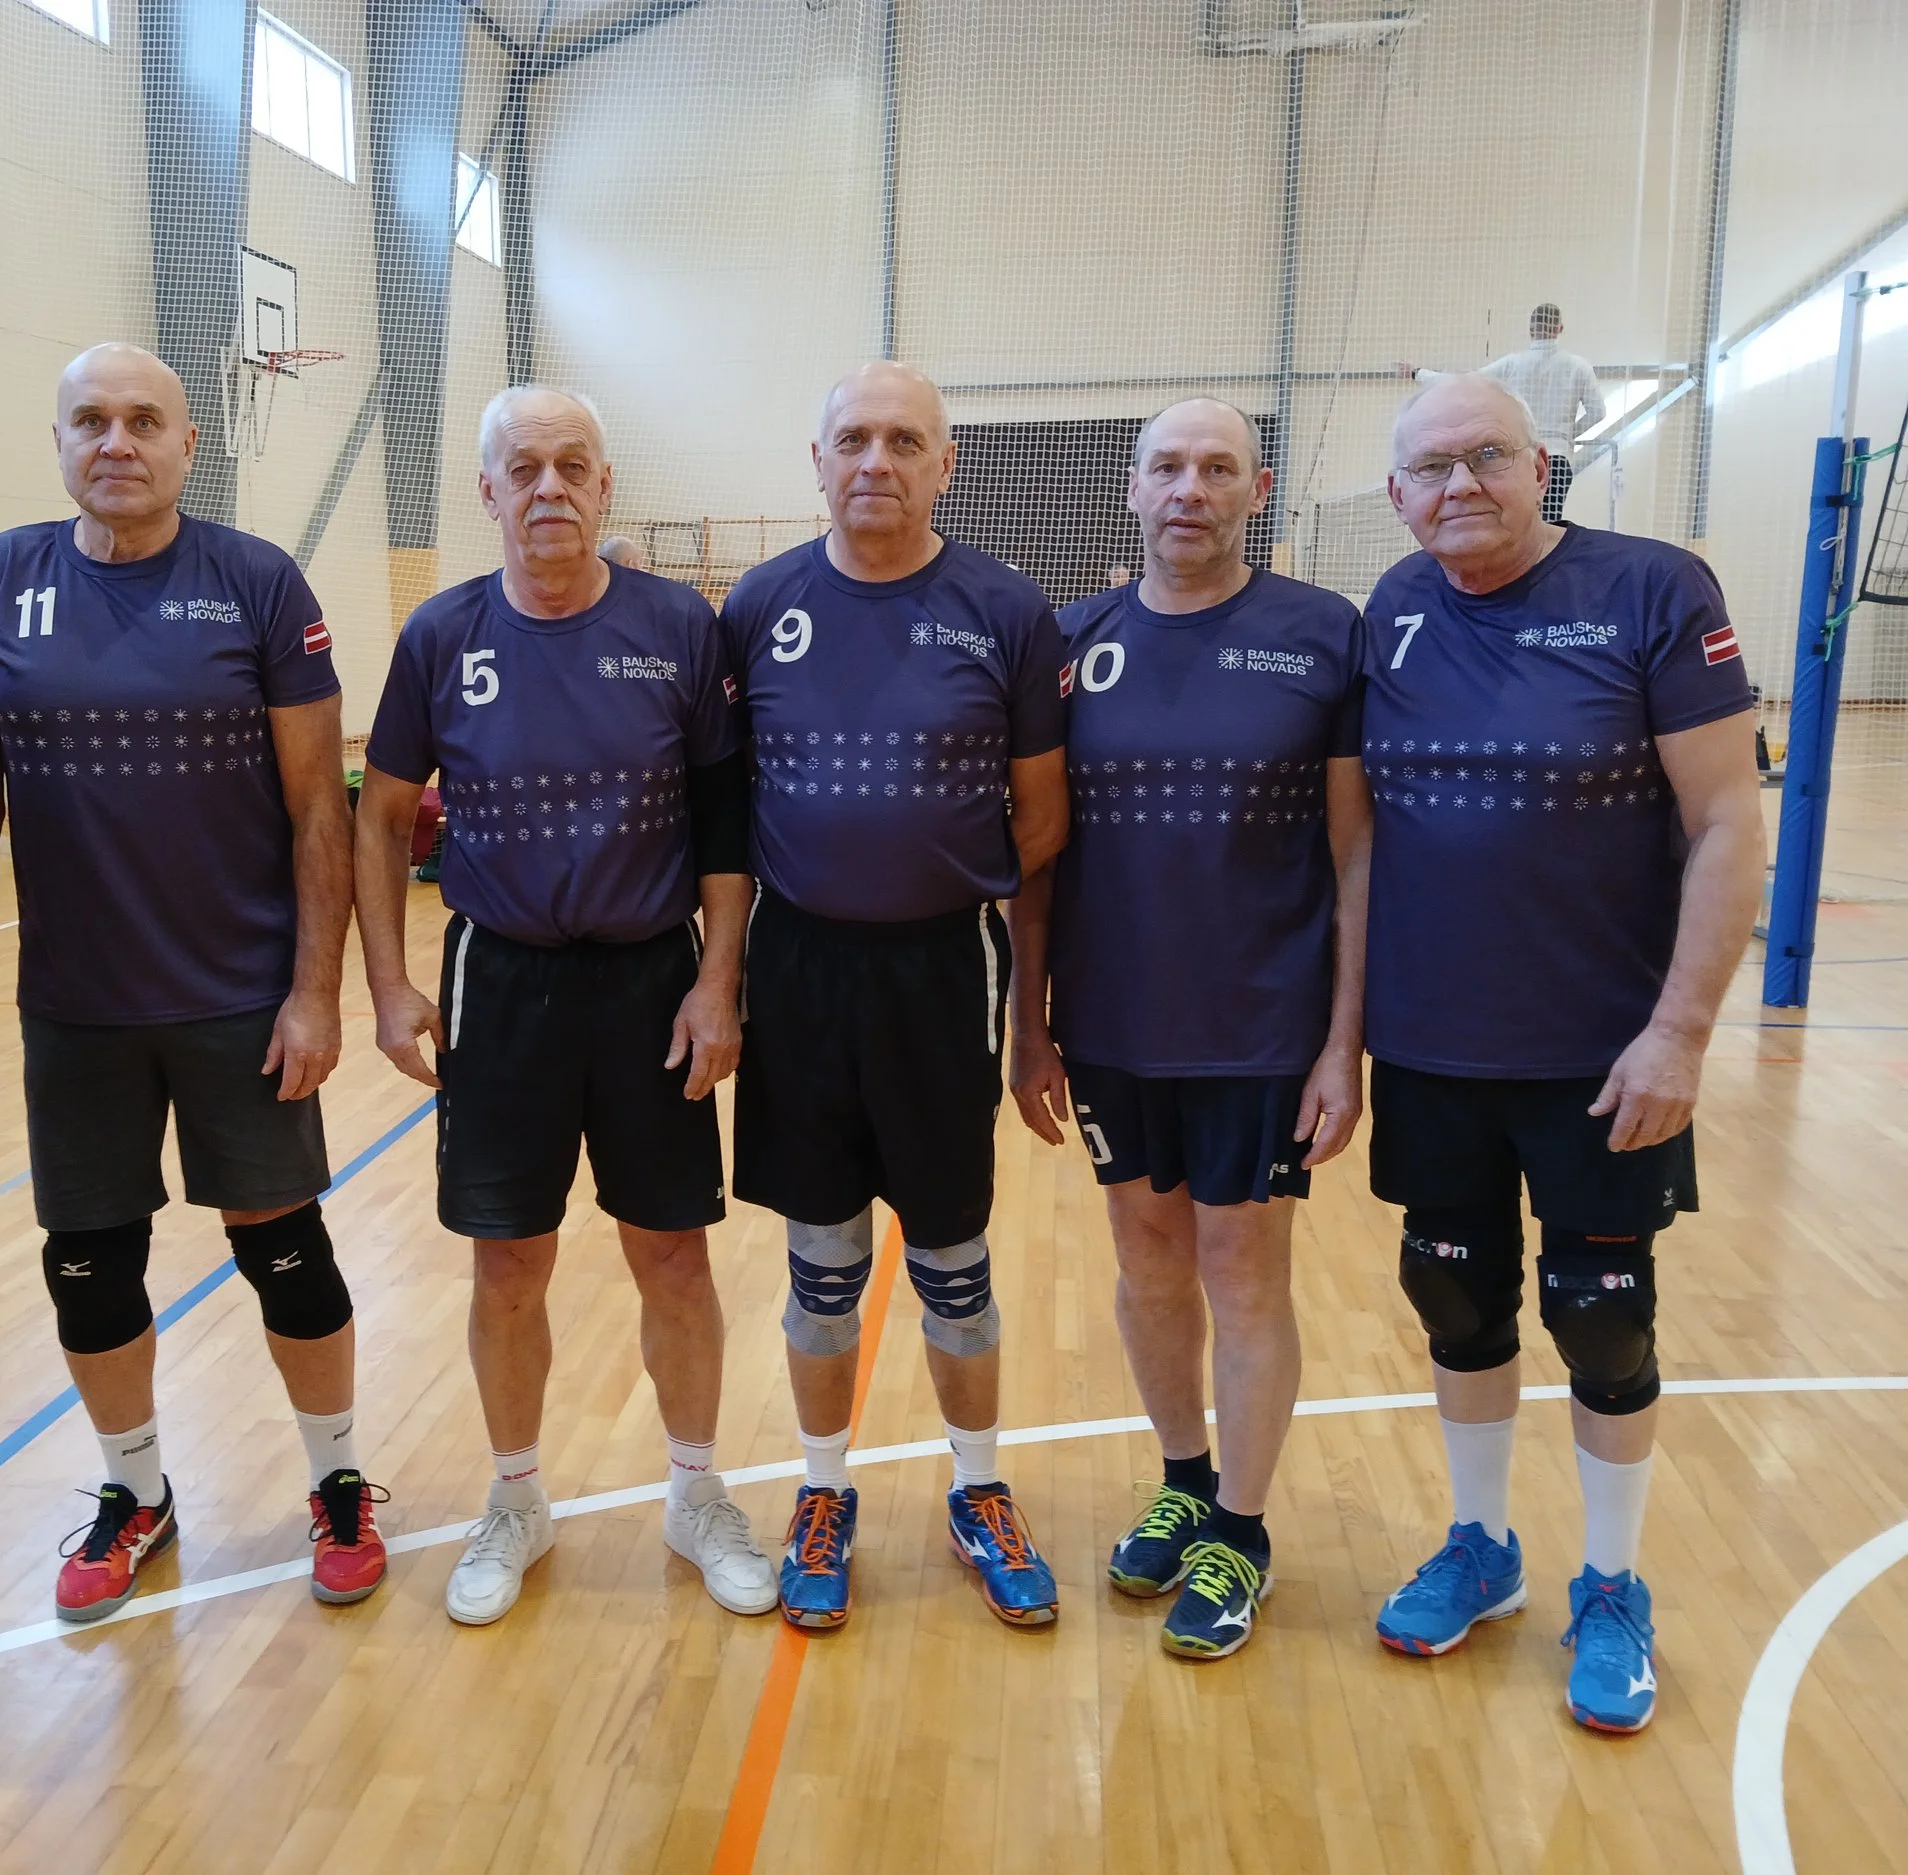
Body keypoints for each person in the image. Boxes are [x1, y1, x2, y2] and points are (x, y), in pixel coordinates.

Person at [0, 343, 384, 1621]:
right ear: (59, 441)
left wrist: (315, 992)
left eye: (144, 421)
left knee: (283, 1251)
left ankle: (338, 1481)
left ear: (190, 444)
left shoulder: (256, 581)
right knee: (87, 1263)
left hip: (240, 998)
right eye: (91, 420)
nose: (116, 442)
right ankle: (135, 1492)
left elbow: (320, 807)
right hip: (76, 1007)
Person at [1361, 373, 1762, 1733]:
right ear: (1397, 495)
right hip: (1433, 1045)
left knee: (1601, 1309)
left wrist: (1680, 1032)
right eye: (1431, 467)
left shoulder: (1654, 590)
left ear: (1540, 467)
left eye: (1487, 456)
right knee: (1451, 1292)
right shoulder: (1394, 607)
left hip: (1602, 1053)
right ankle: (1482, 1548)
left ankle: (1611, 1581)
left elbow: (1726, 823)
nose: (1459, 484)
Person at [355, 386, 772, 1625]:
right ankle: (515, 1498)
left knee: (673, 1256)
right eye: (523, 467)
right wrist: (389, 984)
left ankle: (695, 1494)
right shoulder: (440, 635)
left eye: (572, 466)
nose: (549, 487)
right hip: (502, 984)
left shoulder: (678, 628)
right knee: (507, 1263)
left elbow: (724, 825)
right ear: (487, 489)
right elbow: (380, 818)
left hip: (652, 982)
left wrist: (718, 979)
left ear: (603, 486)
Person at [1006, 398, 1369, 1659]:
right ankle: (1182, 1479)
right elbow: (1036, 854)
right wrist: (1027, 1021)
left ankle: (1242, 1533)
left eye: (1217, 469)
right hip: (1111, 1024)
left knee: (1242, 1274)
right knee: (1147, 1264)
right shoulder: (1072, 641)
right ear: (1131, 487)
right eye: (1166, 467)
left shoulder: (1320, 634)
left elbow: (1355, 852)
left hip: (1262, 1028)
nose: (1189, 490)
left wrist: (1342, 1042)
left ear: (1255, 491)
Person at [721, 361, 1071, 1632]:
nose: (877, 460)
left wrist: (1025, 1016)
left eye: (904, 441)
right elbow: (723, 811)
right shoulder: (757, 604)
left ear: (945, 464)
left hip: (942, 973)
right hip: (798, 971)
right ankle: (823, 1492)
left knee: (952, 1263)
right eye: (854, 439)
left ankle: (978, 1490)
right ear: (816, 461)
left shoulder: (1005, 609)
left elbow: (1041, 826)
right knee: (821, 1266)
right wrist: (720, 981)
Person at [1399, 305, 1604, 525]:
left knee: (1516, 525)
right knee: (1549, 526)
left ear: (1531, 329)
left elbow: (1464, 381)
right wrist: (1565, 436)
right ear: (1560, 328)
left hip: (1519, 456)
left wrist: (1417, 373)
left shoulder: (1513, 364)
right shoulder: (1578, 366)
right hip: (1558, 456)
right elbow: (1598, 412)